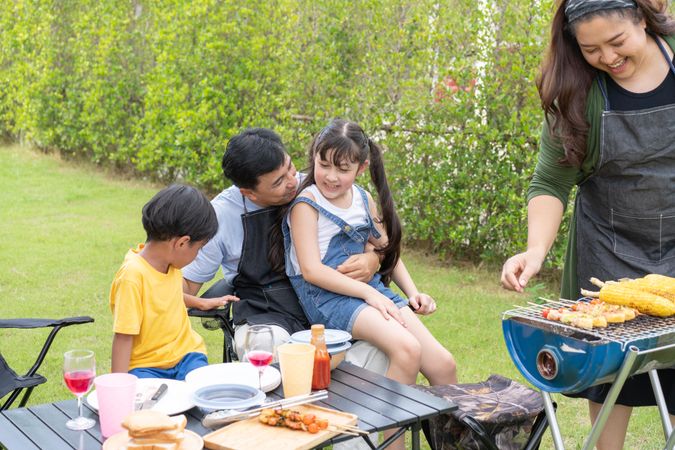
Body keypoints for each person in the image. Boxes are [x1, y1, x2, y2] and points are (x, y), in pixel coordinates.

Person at [501, 1, 675, 448]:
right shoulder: (579, 90)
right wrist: (535, 250)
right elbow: (550, 181)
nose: (608, 58)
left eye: (617, 43)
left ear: (641, 18)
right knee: (611, 387)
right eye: (591, 49)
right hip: (608, 257)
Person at [276, 118, 457, 449]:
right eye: (323, 164)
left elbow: (386, 249)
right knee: (407, 349)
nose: (331, 176)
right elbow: (312, 271)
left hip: (370, 293)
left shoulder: (362, 199)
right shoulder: (307, 205)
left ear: (361, 168)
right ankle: (391, 445)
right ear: (314, 156)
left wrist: (413, 292)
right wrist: (368, 293)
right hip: (329, 299)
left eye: (342, 169)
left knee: (444, 365)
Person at [181, 128, 388, 367]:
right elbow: (187, 284)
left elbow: (372, 234)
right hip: (265, 311)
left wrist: (373, 259)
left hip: (328, 301)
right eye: (279, 182)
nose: (293, 182)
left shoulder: (316, 188)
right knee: (265, 346)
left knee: (380, 349)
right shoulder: (221, 216)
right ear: (249, 193)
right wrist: (155, 282)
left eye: (290, 168)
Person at [110, 184, 218, 380]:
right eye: (199, 248)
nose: (197, 255)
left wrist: (200, 302)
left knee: (204, 396)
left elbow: (166, 296)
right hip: (146, 366)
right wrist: (118, 387)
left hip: (187, 356)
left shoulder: (171, 265)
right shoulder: (132, 277)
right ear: (182, 243)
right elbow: (123, 337)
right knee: (155, 409)